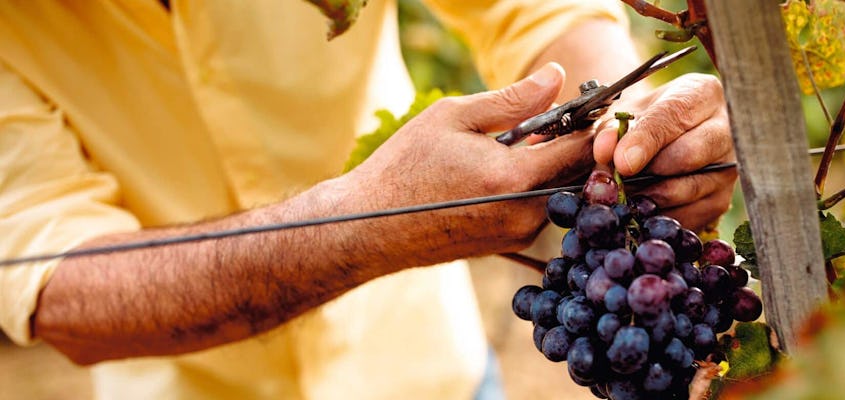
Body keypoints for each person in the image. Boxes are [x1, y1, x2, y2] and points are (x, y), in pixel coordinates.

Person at [0, 0, 735, 398]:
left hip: (427, 376)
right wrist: (370, 220)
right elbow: (57, 287)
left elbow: (535, 10)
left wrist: (624, 118)